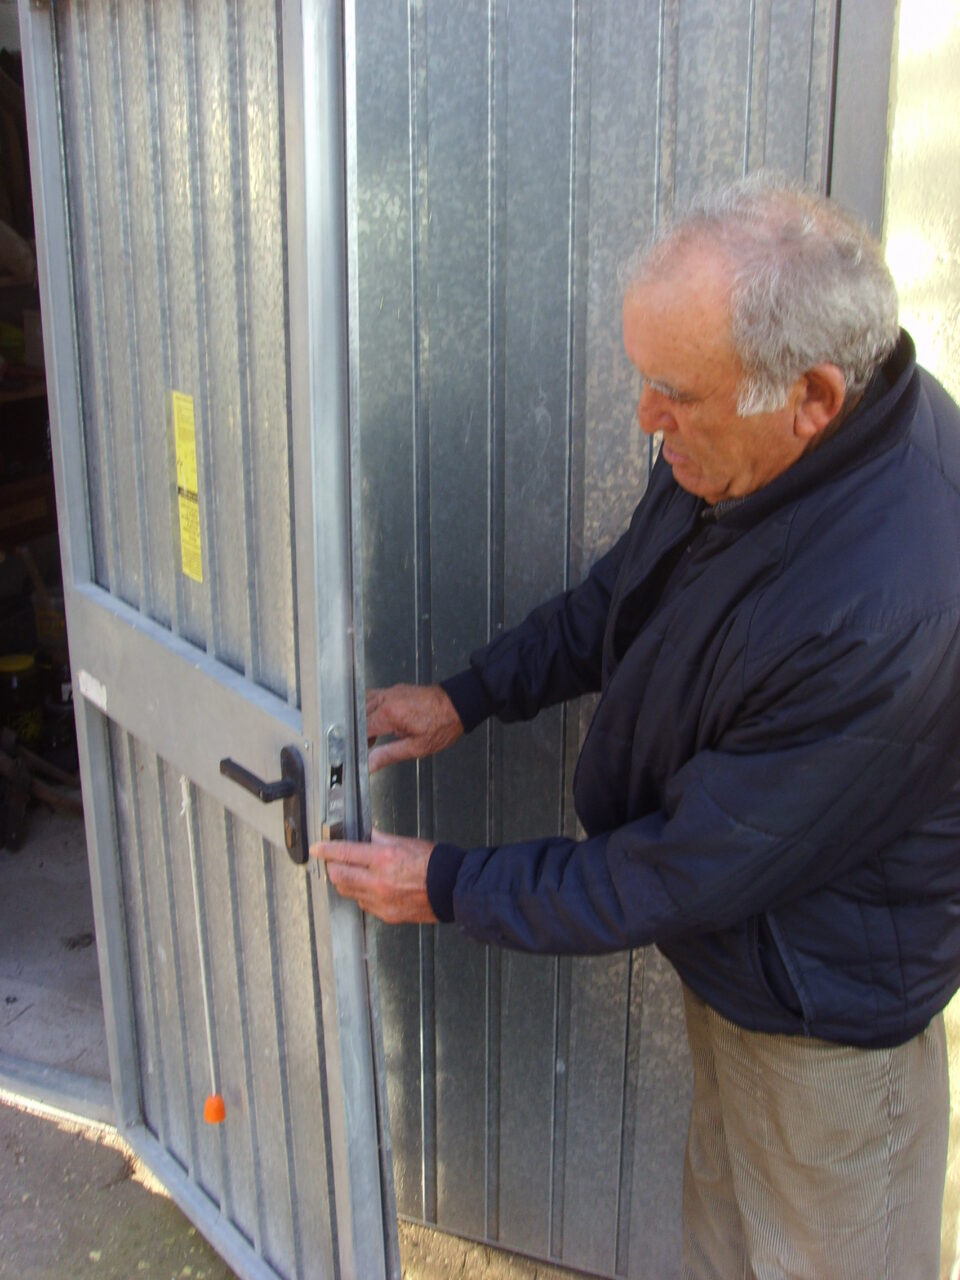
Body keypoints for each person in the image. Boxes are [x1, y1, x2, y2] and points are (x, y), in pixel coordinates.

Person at [311, 174, 960, 1280]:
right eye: (644, 380)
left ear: (809, 394)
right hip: (751, 960)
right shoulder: (757, 447)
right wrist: (471, 693)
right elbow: (631, 591)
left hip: (822, 1010)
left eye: (673, 393)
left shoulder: (882, 607)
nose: (646, 419)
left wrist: (452, 882)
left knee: (819, 1252)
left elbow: (682, 867)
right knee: (726, 1235)